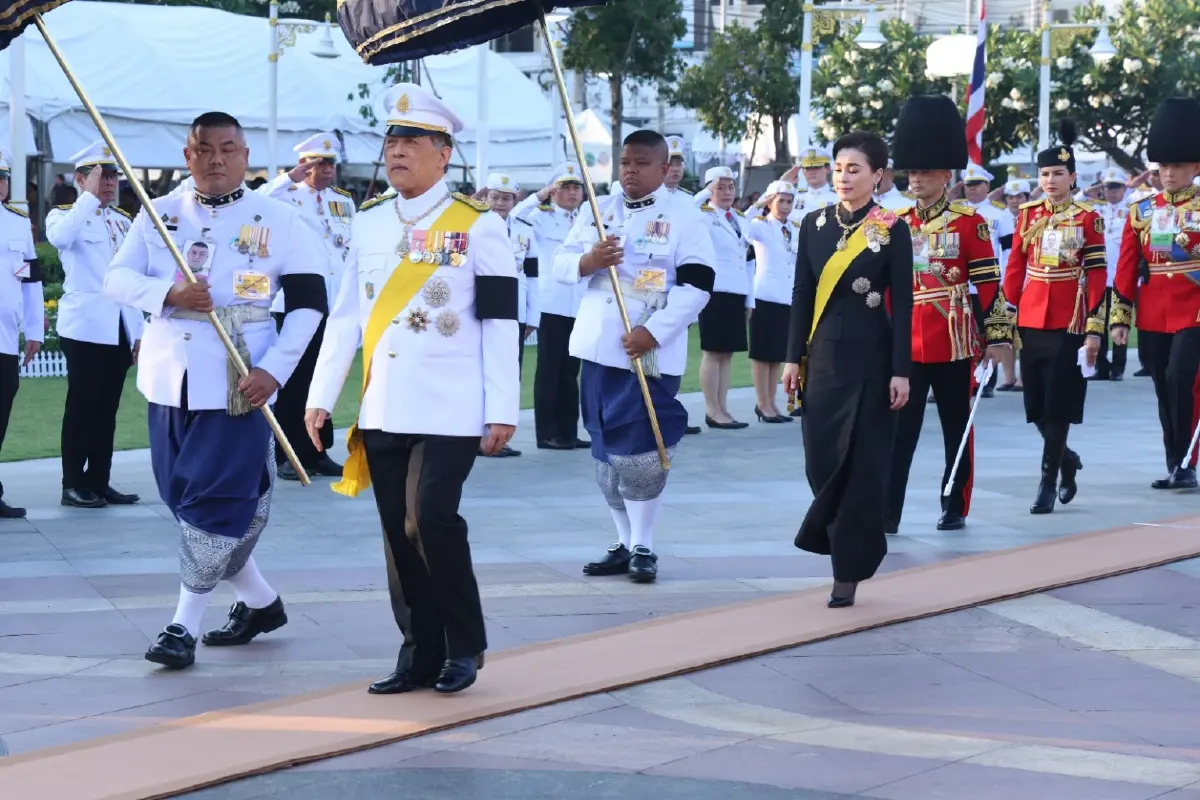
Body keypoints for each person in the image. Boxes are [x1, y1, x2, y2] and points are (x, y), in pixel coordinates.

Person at [305, 83, 519, 695]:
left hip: (453, 404)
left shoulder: (479, 227)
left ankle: (463, 644)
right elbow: (346, 316)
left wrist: (502, 406)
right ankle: (418, 651)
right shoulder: (369, 223)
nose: (397, 150)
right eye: (391, 140)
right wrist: (321, 394)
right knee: (396, 531)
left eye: (412, 140)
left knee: (430, 519)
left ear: (444, 153)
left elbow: (503, 322)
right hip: (385, 401)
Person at [104, 111, 328, 669]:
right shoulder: (159, 214)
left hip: (239, 381)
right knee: (182, 498)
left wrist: (275, 370)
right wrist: (170, 292)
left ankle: (183, 626)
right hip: (168, 378)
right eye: (204, 149)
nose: (216, 160)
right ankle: (260, 602)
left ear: (245, 156)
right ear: (188, 156)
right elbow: (116, 278)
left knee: (213, 503)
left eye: (227, 148)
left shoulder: (278, 219)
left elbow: (308, 304)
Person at [554, 130, 715, 584]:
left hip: (647, 349)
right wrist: (589, 260)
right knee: (605, 447)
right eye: (625, 162)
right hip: (597, 344)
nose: (630, 170)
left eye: (642, 163)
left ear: (664, 169)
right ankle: (623, 542)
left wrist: (653, 332)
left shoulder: (685, 214)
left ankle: (645, 544)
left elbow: (698, 284)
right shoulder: (597, 210)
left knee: (640, 448)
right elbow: (560, 265)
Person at [782, 130, 912, 608]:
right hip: (821, 362)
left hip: (872, 363)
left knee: (861, 466)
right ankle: (840, 538)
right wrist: (792, 358)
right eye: (839, 168)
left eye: (854, 169)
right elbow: (801, 294)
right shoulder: (812, 224)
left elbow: (906, 302)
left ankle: (848, 569)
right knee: (820, 463)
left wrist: (903, 370)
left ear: (878, 176)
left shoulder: (891, 228)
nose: (843, 177)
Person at [885, 95, 1011, 534]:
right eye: (912, 172)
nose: (916, 179)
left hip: (955, 338)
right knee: (900, 429)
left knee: (957, 427)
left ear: (946, 175)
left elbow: (990, 286)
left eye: (925, 173)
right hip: (907, 342)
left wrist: (996, 338)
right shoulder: (894, 222)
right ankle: (889, 509)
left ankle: (954, 503)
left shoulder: (967, 222)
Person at [1002, 120, 1107, 514]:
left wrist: (1094, 327)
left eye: (1057, 174)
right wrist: (1006, 311)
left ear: (1072, 177)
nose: (1049, 180)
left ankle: (1047, 481)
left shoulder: (1087, 217)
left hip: (1069, 318)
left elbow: (1097, 274)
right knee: (1035, 407)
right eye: (1044, 174)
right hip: (1031, 315)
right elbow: (1015, 266)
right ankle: (1067, 459)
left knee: (1058, 404)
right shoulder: (1027, 215)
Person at [46, 142, 144, 509]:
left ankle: (99, 481)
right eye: (101, 176)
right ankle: (72, 483)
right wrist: (87, 198)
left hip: (118, 326)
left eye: (113, 175)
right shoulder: (64, 215)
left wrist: (139, 333)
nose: (109, 182)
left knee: (107, 410)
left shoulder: (121, 221)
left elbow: (132, 277)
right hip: (85, 328)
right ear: (81, 180)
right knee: (82, 408)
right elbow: (59, 239)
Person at [1109, 97, 1200, 490]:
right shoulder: (1142, 210)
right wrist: (1119, 316)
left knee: (1183, 379)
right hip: (1153, 310)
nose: (1169, 173)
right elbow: (1127, 266)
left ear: (1195, 167)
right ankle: (1175, 461)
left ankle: (1188, 462)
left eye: (1177, 166)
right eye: (1163, 166)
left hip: (1195, 307)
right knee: (1164, 386)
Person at [256, 132, 353, 481]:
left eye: (330, 163)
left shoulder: (342, 201)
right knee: (294, 381)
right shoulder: (283, 196)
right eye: (319, 163)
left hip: (332, 299)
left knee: (323, 376)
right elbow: (253, 200)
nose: (326, 170)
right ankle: (287, 453)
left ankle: (317, 450)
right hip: (296, 303)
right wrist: (288, 179)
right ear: (303, 165)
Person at [512, 163, 588, 450]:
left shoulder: (585, 219)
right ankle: (547, 433)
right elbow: (515, 215)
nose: (571, 193)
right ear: (553, 191)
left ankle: (569, 431)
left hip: (578, 303)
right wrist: (539, 195)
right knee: (549, 369)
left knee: (570, 370)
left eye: (575, 187)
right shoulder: (540, 218)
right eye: (564, 187)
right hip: (552, 302)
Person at [481, 170, 538, 458]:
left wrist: (533, 316)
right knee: (479, 371)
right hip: (481, 308)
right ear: (485, 196)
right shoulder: (472, 225)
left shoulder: (524, 229)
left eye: (506, 198)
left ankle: (497, 435)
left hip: (514, 307)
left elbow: (533, 275)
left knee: (508, 371)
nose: (501, 203)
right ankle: (475, 434)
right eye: (495, 197)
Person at [0, 147, 44, 518]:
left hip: (3, 338)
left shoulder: (17, 223)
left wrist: (34, 329)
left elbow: (30, 282)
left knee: (1, 410)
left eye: (2, 178)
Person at [697, 166, 753, 429]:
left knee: (727, 354)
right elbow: (687, 209)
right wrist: (705, 193)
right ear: (709, 189)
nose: (727, 192)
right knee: (713, 351)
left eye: (730, 186)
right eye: (720, 187)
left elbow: (747, 260)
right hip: (715, 291)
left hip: (736, 291)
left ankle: (722, 408)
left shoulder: (739, 217)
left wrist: (749, 299)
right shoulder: (703, 215)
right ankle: (711, 409)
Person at [746, 180, 798, 422]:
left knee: (776, 353)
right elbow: (742, 224)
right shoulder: (760, 224)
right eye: (781, 201)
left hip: (786, 296)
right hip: (764, 295)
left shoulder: (794, 228)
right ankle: (761, 403)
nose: (786, 206)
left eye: (789, 201)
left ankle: (772, 403)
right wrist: (759, 204)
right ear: (770, 202)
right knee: (761, 352)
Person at [1090, 167, 1132, 382]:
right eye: (1108, 188)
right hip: (1099, 276)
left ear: (1124, 188)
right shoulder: (1097, 209)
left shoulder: (1132, 209)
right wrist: (1093, 190)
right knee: (1098, 322)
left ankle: (1118, 368)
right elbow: (1076, 199)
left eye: (1116, 188)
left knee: (1119, 322)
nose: (1112, 192)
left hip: (1121, 276)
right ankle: (1101, 367)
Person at [791, 146, 838, 217]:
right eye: (807, 168)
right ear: (803, 171)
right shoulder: (794, 197)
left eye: (816, 167)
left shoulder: (839, 197)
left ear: (828, 169)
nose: (811, 172)